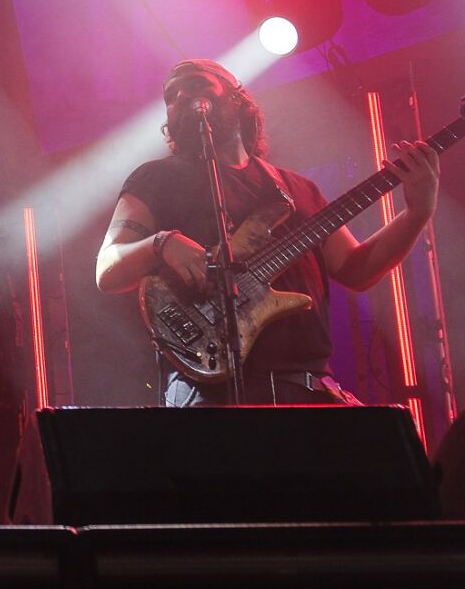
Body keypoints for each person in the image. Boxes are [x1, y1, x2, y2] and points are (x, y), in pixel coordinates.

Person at [95, 58, 439, 405]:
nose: (183, 95)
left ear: (237, 99)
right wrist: (161, 243)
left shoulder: (296, 189)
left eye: (198, 84)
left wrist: (416, 213)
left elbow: (357, 269)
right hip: (207, 393)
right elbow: (108, 268)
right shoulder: (156, 178)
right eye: (172, 94)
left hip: (305, 387)